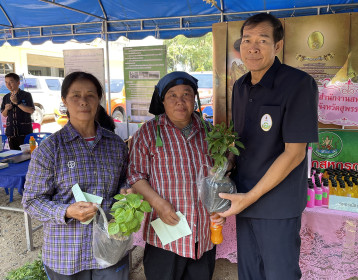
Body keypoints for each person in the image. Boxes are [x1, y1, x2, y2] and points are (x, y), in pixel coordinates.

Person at [218, 13, 319, 280]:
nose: (252, 47)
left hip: (277, 205)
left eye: (262, 40)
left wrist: (248, 198)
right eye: (247, 40)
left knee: (279, 274)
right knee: (249, 273)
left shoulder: (298, 85)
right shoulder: (240, 86)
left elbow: (295, 153)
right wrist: (222, 169)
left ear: (277, 46)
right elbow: (241, 143)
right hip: (244, 199)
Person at [22, 72, 130, 280]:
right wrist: (66, 211)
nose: (83, 102)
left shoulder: (116, 145)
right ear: (64, 101)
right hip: (66, 254)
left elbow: (123, 182)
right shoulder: (50, 149)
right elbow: (31, 201)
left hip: (111, 248)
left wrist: (126, 190)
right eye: (75, 96)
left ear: (99, 100)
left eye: (90, 95)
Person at [127, 71, 225, 280]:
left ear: (195, 99)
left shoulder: (210, 133)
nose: (180, 102)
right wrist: (158, 203)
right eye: (172, 95)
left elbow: (221, 175)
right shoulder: (148, 133)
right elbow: (135, 176)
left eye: (186, 94)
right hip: (165, 236)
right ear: (162, 101)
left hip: (203, 236)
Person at [1, 73, 35, 150]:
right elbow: (4, 114)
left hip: (25, 132)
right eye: (6, 82)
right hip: (11, 132)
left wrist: (17, 103)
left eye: (11, 82)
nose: (8, 85)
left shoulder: (26, 95)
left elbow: (31, 110)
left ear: (18, 83)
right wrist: (6, 109)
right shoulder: (6, 97)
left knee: (27, 156)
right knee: (14, 155)